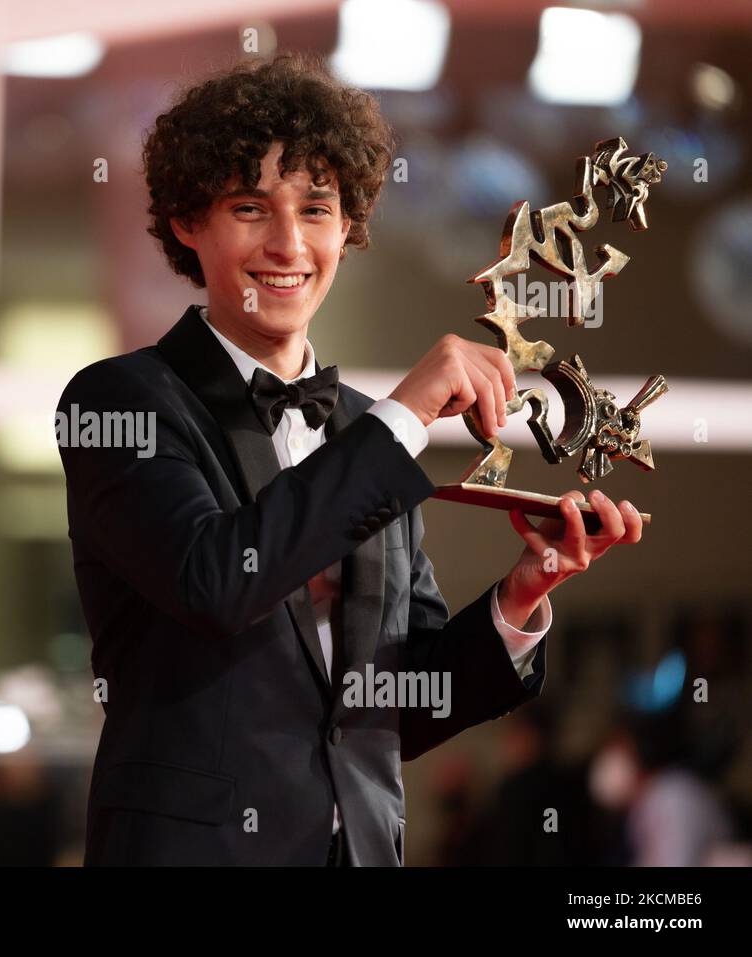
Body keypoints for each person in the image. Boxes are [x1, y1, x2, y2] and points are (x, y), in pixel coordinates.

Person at [55, 53, 644, 866]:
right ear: (189, 222)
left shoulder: (367, 434)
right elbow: (217, 580)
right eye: (250, 207)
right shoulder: (119, 403)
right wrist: (403, 418)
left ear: (348, 227)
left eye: (317, 208)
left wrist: (522, 594)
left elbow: (402, 706)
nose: (288, 243)